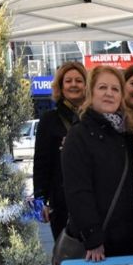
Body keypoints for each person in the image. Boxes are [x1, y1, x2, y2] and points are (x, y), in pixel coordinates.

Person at [61, 65, 133, 260]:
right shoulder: (79, 134)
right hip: (98, 246)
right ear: (91, 93)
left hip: (130, 240)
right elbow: (77, 191)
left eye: (115, 89)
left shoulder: (126, 132)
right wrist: (93, 238)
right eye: (102, 88)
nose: (109, 93)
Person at [33, 61, 87, 241]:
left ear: (86, 85)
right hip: (62, 202)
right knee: (66, 254)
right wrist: (41, 201)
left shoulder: (93, 117)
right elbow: (41, 163)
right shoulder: (49, 120)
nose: (74, 85)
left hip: (92, 199)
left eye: (79, 80)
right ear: (61, 87)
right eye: (68, 81)